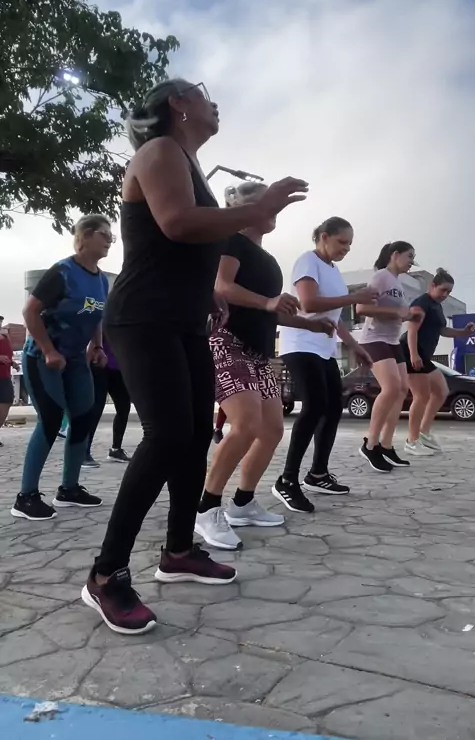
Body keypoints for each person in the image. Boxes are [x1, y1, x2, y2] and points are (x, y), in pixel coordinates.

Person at [80, 78, 308, 635]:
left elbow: (177, 245)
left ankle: (179, 550)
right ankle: (106, 575)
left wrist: (206, 291)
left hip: (184, 319)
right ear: (177, 104)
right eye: (203, 93)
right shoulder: (159, 150)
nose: (214, 102)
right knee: (166, 436)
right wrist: (261, 206)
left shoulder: (188, 163)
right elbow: (176, 223)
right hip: (143, 316)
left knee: (193, 435)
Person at [195, 183, 334, 550]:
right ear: (241, 208)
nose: (272, 210)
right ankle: (206, 509)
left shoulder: (269, 260)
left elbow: (270, 311)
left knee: (272, 429)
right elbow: (222, 286)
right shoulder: (231, 241)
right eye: (264, 202)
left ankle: (243, 504)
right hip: (227, 343)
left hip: (259, 354)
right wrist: (269, 302)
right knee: (245, 425)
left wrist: (308, 324)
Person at [11, 215, 112, 520]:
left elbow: (96, 314)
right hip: (43, 357)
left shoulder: (101, 279)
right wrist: (48, 349)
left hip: (76, 359)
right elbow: (30, 311)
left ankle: (69, 489)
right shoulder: (63, 272)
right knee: (51, 419)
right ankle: (25, 498)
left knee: (83, 417)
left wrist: (97, 346)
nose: (109, 240)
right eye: (104, 234)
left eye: (111, 235)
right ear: (85, 236)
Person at [273, 217, 373, 514]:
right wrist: (354, 297)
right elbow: (308, 303)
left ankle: (317, 474)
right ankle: (287, 480)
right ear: (324, 237)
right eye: (342, 242)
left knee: (333, 407)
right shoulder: (308, 261)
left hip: (324, 348)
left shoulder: (334, 271)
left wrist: (356, 347)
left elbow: (335, 320)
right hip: (300, 344)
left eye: (350, 244)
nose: (347, 248)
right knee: (315, 405)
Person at [357, 241, 420, 472]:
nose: (412, 261)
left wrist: (409, 316)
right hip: (374, 339)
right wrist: (396, 311)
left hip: (392, 341)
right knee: (391, 388)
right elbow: (361, 309)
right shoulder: (381, 277)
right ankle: (370, 444)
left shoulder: (397, 283)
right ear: (395, 255)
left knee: (402, 390)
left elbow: (397, 313)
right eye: (409, 256)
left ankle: (386, 445)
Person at [402, 268, 475, 454]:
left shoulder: (436, 306)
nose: (445, 294)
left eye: (449, 292)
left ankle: (423, 433)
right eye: (443, 290)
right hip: (411, 351)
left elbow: (443, 330)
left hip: (423, 355)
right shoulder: (421, 303)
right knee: (421, 396)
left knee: (441, 391)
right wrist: (413, 355)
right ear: (432, 285)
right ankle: (412, 441)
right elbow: (412, 330)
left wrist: (463, 333)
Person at [84, 336, 131, 468]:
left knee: (124, 407)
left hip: (118, 367)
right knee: (96, 408)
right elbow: (92, 339)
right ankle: (84, 452)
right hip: (100, 365)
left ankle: (116, 449)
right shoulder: (103, 324)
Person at [0, 320, 19, 446]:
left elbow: (7, 355)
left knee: (7, 401)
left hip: (4, 376)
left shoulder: (5, 337)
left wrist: (12, 362)